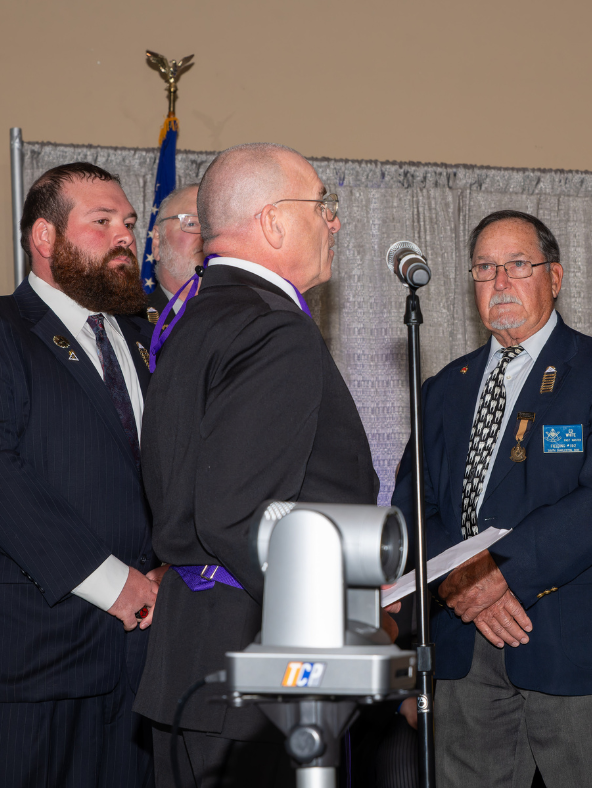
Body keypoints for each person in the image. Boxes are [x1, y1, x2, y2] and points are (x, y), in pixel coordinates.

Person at [134, 142, 382, 787]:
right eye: (322, 205)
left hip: (194, 663)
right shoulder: (272, 327)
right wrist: (337, 603)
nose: (333, 221)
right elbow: (237, 516)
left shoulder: (194, 318)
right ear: (273, 221)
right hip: (259, 673)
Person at [392, 210, 592, 788]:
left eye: (517, 265)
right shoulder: (442, 387)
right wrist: (461, 583)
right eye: (485, 268)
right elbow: (413, 506)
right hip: (459, 645)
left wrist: (498, 574)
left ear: (554, 277)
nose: (499, 280)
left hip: (567, 645)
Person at [0, 162, 162, 787]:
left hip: (148, 659)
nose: (124, 236)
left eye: (127, 222)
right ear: (45, 239)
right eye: (102, 222)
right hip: (41, 657)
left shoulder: (148, 335)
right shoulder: (7, 331)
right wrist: (110, 581)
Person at [146, 183, 202, 319]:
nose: (205, 234)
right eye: (191, 223)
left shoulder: (251, 320)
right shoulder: (127, 326)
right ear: (158, 240)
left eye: (213, 225)